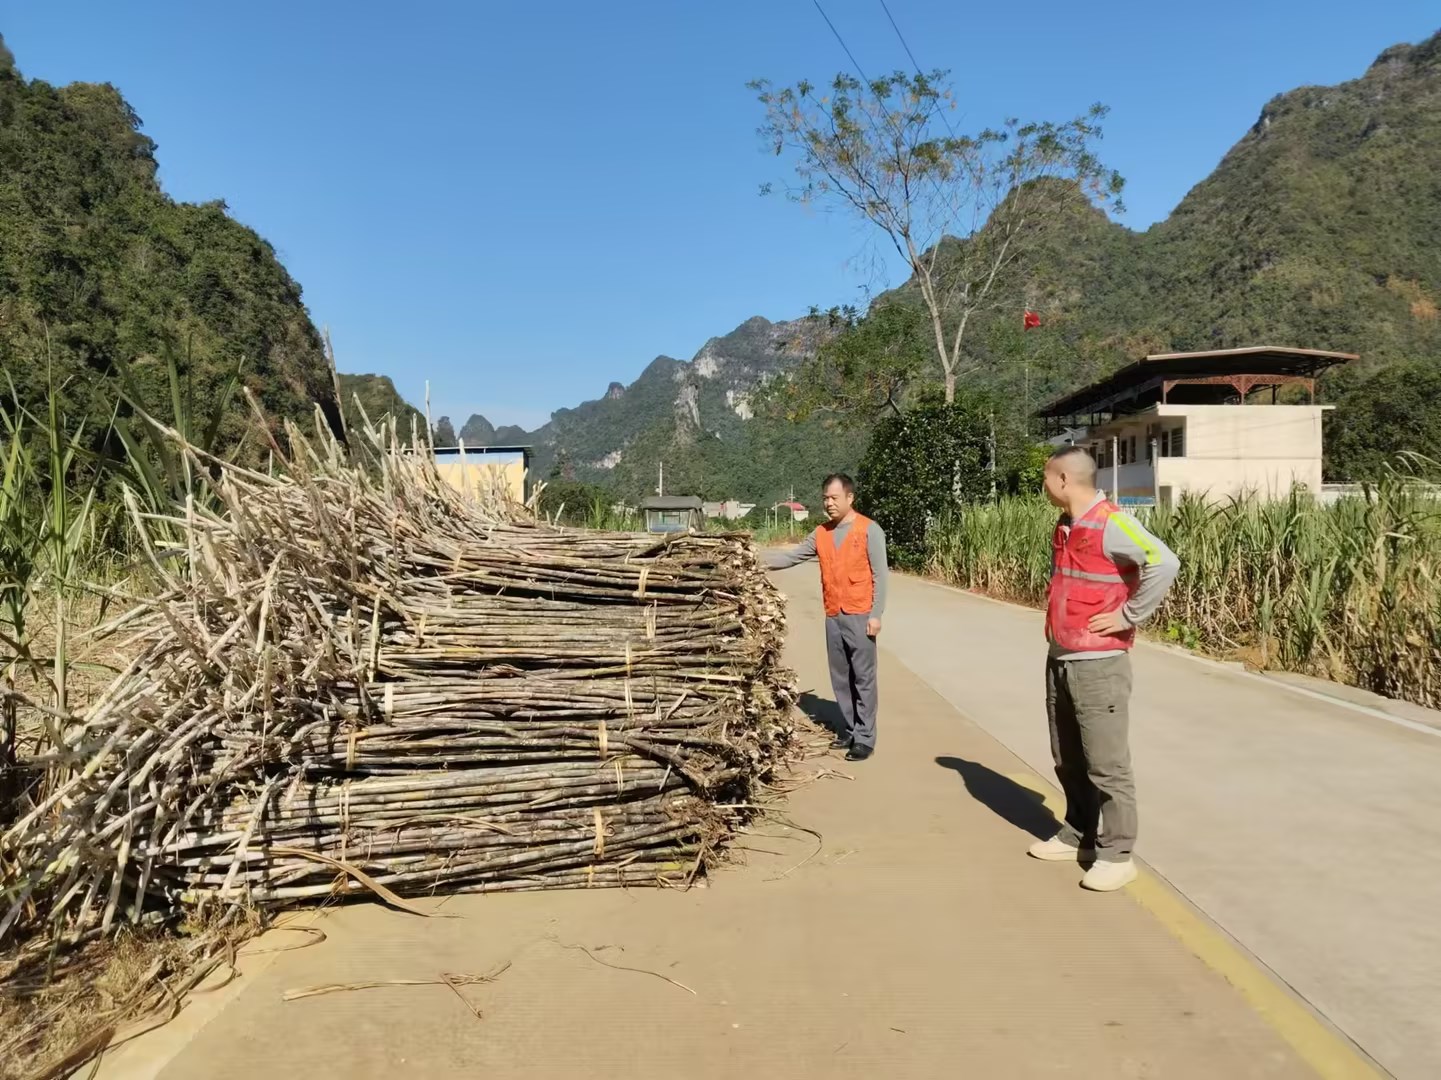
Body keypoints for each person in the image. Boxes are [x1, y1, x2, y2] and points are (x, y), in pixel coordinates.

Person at [1030, 446, 1180, 892]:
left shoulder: (1111, 522)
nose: (1045, 486)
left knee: (1107, 763)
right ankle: (1079, 833)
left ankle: (1118, 854)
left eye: (1046, 478)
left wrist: (1128, 615)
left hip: (1099, 662)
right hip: (1061, 654)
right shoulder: (1066, 525)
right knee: (1068, 757)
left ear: (1062, 480)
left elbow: (1165, 562)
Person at [764, 474, 887, 762]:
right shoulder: (821, 533)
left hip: (860, 615)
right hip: (833, 614)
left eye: (834, 498)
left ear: (849, 498)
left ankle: (865, 738)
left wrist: (876, 614)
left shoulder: (869, 530)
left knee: (864, 679)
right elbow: (792, 557)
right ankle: (848, 730)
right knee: (841, 678)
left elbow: (881, 576)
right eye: (825, 499)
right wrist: (753, 559)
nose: (829, 503)